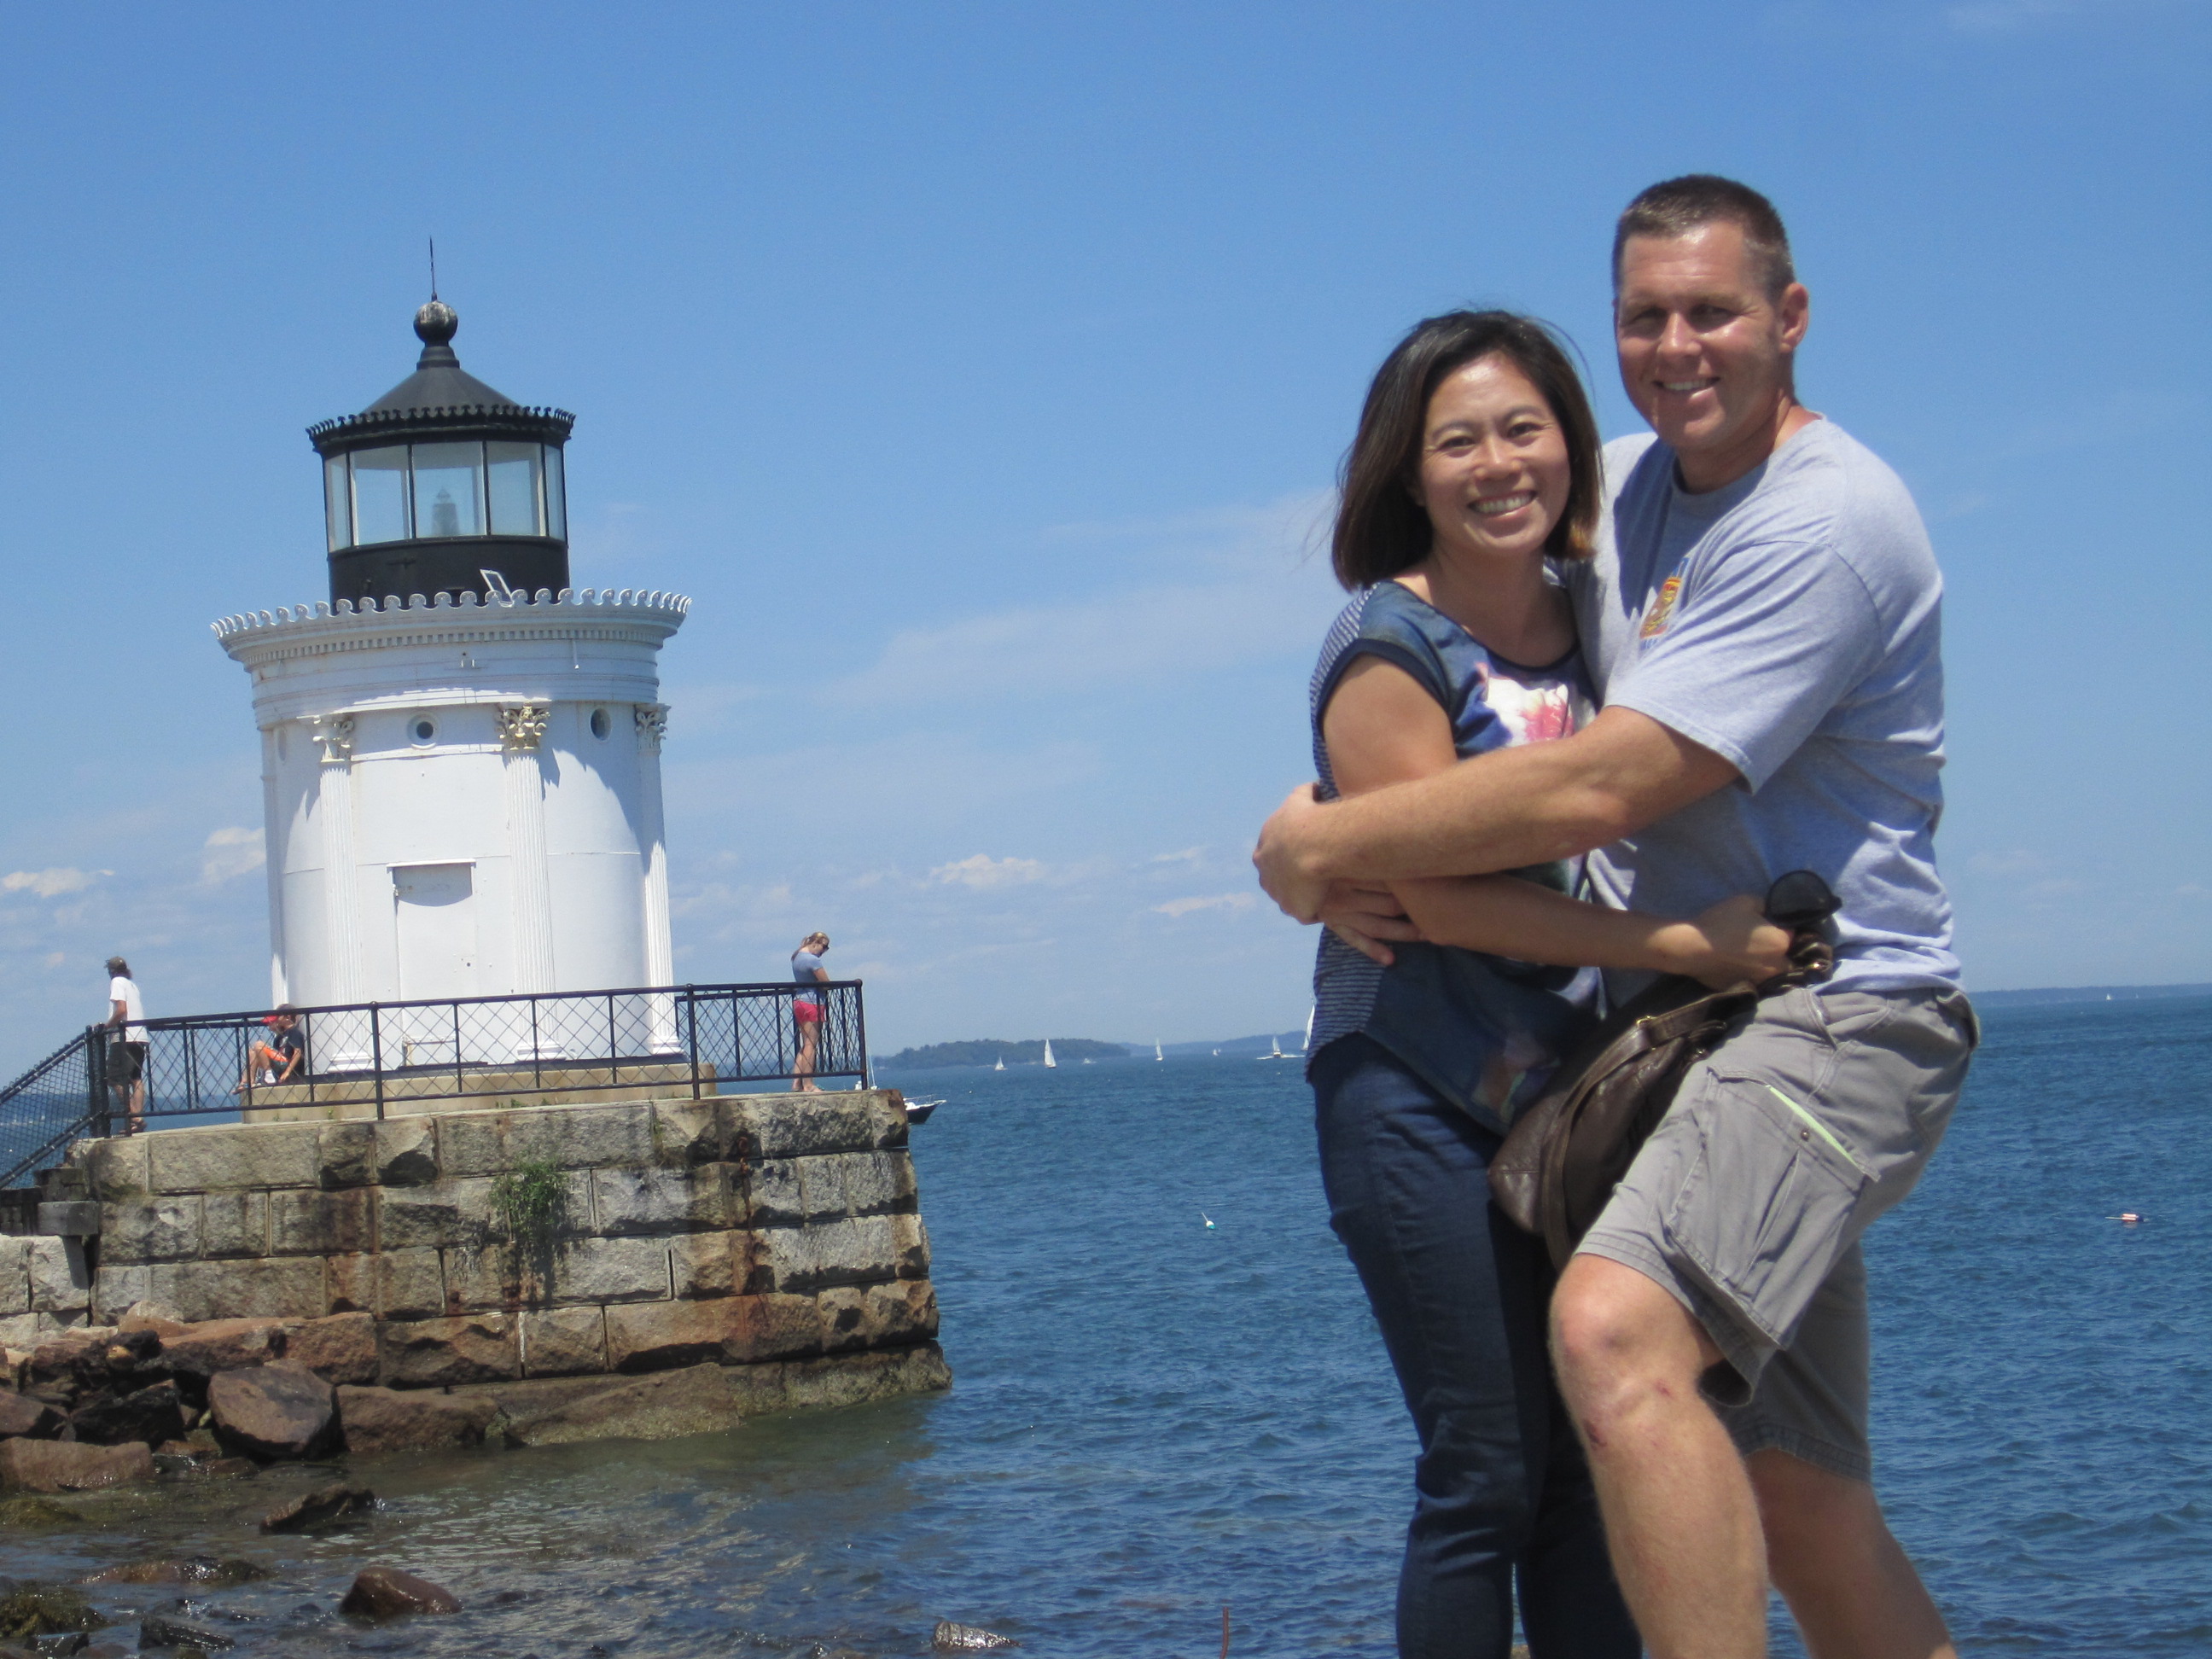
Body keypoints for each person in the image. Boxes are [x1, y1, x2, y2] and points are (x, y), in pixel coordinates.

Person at [1256, 177, 1976, 1659]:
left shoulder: (1825, 519)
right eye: (1644, 317)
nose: (1676, 346)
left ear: (1789, 316)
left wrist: (1309, 841)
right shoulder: (1628, 493)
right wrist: (1309, 830)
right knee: (1796, 1492)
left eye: (1712, 311)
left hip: (1825, 1007)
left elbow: (1601, 787)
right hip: (1670, 1038)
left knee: (1610, 1334)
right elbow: (1448, 636)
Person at [1301, 308, 1794, 1659]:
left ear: (1571, 445)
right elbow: (1438, 895)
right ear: (1411, 473)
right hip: (1412, 1086)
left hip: (1566, 1093)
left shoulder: (1597, 617)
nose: (1499, 465)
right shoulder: (1390, 645)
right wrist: (1692, 948)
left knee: (1586, 1459)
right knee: (1487, 1470)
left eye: (1524, 430)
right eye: (1458, 442)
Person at [102, 955, 148, 1133]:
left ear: (112, 971)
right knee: (135, 1078)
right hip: (140, 1036)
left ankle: (134, 1116)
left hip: (124, 1037)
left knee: (113, 1078)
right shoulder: (132, 985)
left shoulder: (117, 982)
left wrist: (107, 1026)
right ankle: (138, 1119)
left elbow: (121, 1009)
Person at [791, 933, 830, 1092]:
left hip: (799, 1001)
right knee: (810, 1044)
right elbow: (826, 983)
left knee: (805, 1043)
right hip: (812, 1002)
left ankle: (796, 1083)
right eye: (824, 947)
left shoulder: (797, 957)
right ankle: (808, 1084)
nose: (824, 951)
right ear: (816, 942)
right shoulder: (813, 960)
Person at [235, 1006, 304, 1096]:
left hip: (287, 1063)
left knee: (259, 1045)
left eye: (279, 1016)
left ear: (288, 1017)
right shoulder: (280, 1036)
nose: (277, 1018)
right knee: (252, 1052)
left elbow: (297, 1053)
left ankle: (269, 1074)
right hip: (279, 1062)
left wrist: (287, 1072)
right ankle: (248, 1081)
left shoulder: (294, 1032)